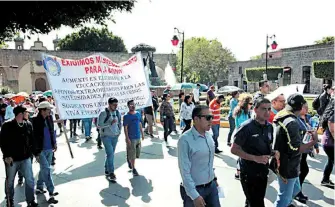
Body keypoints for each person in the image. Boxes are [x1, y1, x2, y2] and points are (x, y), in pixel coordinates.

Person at [273, 93, 318, 207]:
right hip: (287, 165)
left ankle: (288, 202)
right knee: (283, 197)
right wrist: (313, 141)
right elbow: (295, 149)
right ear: (301, 106)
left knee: (296, 188)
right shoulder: (292, 122)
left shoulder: (283, 115)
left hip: (286, 162)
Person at [231, 98, 278, 207]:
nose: (267, 112)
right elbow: (234, 149)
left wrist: (274, 153)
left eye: (269, 109)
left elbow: (266, 147)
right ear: (255, 109)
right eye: (263, 109)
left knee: (252, 202)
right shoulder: (246, 127)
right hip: (249, 173)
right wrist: (255, 158)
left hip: (263, 171)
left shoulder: (269, 127)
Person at [178, 105, 220, 207]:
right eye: (208, 118)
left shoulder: (209, 136)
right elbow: (184, 171)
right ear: (196, 119)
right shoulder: (185, 140)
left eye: (212, 117)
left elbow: (208, 162)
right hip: (194, 190)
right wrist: (194, 195)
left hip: (211, 187)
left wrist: (214, 179)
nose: (211, 121)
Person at [0, 105, 38, 207]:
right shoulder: (7, 125)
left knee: (30, 179)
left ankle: (30, 200)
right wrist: (7, 155)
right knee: (10, 181)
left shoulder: (28, 124)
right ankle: (10, 200)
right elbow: (3, 142)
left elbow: (32, 141)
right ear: (20, 114)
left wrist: (36, 153)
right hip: (12, 159)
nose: (28, 114)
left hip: (25, 158)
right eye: (26, 112)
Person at [32, 101, 59, 204]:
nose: (50, 111)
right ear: (42, 110)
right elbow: (33, 138)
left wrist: (54, 143)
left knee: (44, 169)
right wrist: (36, 153)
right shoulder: (34, 120)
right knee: (47, 169)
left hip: (49, 148)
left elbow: (52, 131)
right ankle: (51, 191)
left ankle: (39, 187)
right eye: (48, 109)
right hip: (40, 150)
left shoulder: (49, 118)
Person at [295, 102, 319, 203]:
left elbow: (311, 130)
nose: (307, 108)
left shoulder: (307, 117)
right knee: (303, 170)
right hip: (300, 149)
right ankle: (296, 192)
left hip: (305, 148)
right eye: (305, 107)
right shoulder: (296, 119)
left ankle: (297, 191)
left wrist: (315, 145)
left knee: (303, 170)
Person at [97, 97, 122, 182]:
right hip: (106, 136)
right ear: (109, 104)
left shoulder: (117, 112)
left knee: (110, 154)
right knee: (110, 154)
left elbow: (119, 123)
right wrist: (109, 123)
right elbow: (99, 125)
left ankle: (106, 168)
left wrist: (119, 131)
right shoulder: (103, 113)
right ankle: (111, 172)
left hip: (115, 136)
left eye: (116, 104)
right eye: (114, 105)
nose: (115, 106)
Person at [123, 100, 145, 176]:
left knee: (137, 154)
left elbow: (139, 124)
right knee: (132, 154)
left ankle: (129, 160)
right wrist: (127, 138)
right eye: (131, 105)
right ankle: (134, 168)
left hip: (138, 137)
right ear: (128, 106)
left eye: (133, 104)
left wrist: (142, 134)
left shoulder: (138, 114)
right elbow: (125, 128)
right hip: (131, 138)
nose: (132, 106)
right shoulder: (126, 116)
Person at [320, 98, 334, 187]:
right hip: (330, 143)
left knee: (330, 161)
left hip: (328, 142)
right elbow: (332, 129)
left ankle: (325, 179)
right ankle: (325, 179)